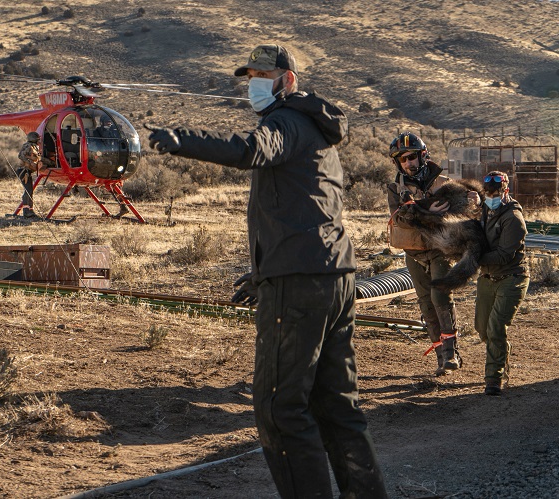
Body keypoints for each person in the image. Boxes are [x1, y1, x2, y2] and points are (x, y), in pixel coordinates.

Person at [147, 43, 387, 499]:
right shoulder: (316, 130)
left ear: (287, 80)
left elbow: (248, 151)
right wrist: (265, 273)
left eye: (262, 74)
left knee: (280, 408)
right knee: (338, 405)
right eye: (250, 75)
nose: (254, 83)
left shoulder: (286, 122)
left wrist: (181, 140)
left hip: (300, 283)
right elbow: (303, 209)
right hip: (333, 276)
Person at [387, 132, 468, 375]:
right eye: (402, 160)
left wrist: (418, 210)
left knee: (440, 296)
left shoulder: (443, 183)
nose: (408, 163)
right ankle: (441, 356)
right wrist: (428, 211)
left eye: (412, 157)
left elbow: (460, 209)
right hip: (412, 251)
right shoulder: (395, 188)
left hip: (439, 247)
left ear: (422, 155)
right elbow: (400, 218)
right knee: (425, 303)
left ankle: (452, 353)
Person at [474, 171, 529, 396]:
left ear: (506, 191)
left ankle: (493, 379)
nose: (492, 195)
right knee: (482, 328)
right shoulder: (484, 211)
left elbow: (505, 255)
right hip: (487, 278)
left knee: (496, 327)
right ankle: (501, 353)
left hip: (512, 278)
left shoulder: (513, 218)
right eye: (488, 192)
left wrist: (472, 259)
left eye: (496, 192)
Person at [14, 131, 42, 219]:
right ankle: (27, 212)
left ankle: (29, 210)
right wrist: (31, 163)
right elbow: (21, 156)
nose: (39, 141)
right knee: (28, 190)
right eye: (37, 139)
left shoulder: (35, 147)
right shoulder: (28, 146)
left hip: (28, 171)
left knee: (29, 190)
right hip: (24, 171)